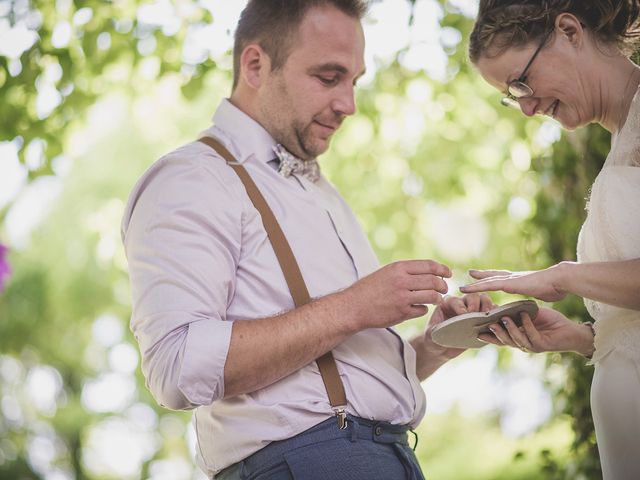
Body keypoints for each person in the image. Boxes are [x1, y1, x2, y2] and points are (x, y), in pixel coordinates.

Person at [122, 1, 491, 478]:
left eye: (354, 81)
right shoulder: (192, 177)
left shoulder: (320, 192)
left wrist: (431, 348)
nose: (349, 105)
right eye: (328, 77)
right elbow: (177, 366)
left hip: (386, 456)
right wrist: (355, 305)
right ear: (255, 65)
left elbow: (333, 375)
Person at [461, 1, 640, 478]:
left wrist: (564, 277)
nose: (526, 108)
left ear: (568, 32)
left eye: (520, 82)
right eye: (510, 96)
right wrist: (588, 339)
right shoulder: (619, 141)